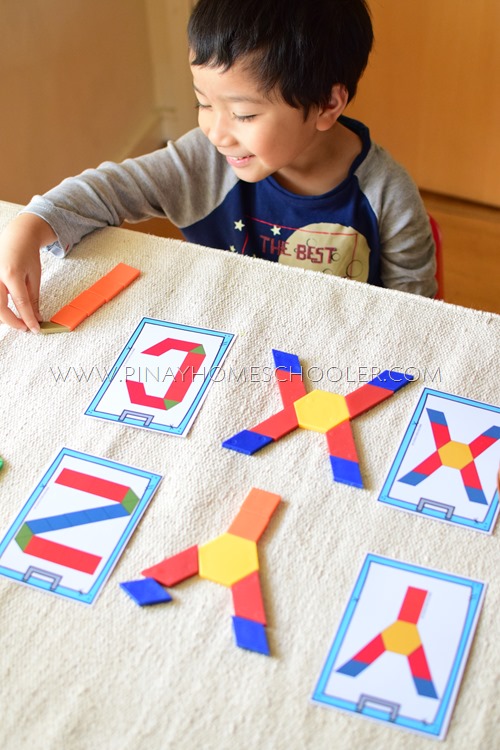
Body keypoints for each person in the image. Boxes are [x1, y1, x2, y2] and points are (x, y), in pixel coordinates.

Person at [0, 0, 437, 334]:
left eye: (244, 115)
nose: (216, 132)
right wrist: (29, 226)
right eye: (203, 103)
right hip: (227, 333)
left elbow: (414, 320)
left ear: (327, 103)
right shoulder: (204, 162)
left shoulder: (388, 197)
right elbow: (108, 191)